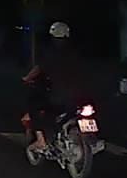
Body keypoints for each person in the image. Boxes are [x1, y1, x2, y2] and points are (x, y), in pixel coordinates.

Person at [21, 21, 86, 154]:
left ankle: (41, 141)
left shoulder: (50, 53)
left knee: (33, 104)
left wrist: (27, 78)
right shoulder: (74, 52)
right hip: (78, 94)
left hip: (58, 95)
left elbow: (39, 69)